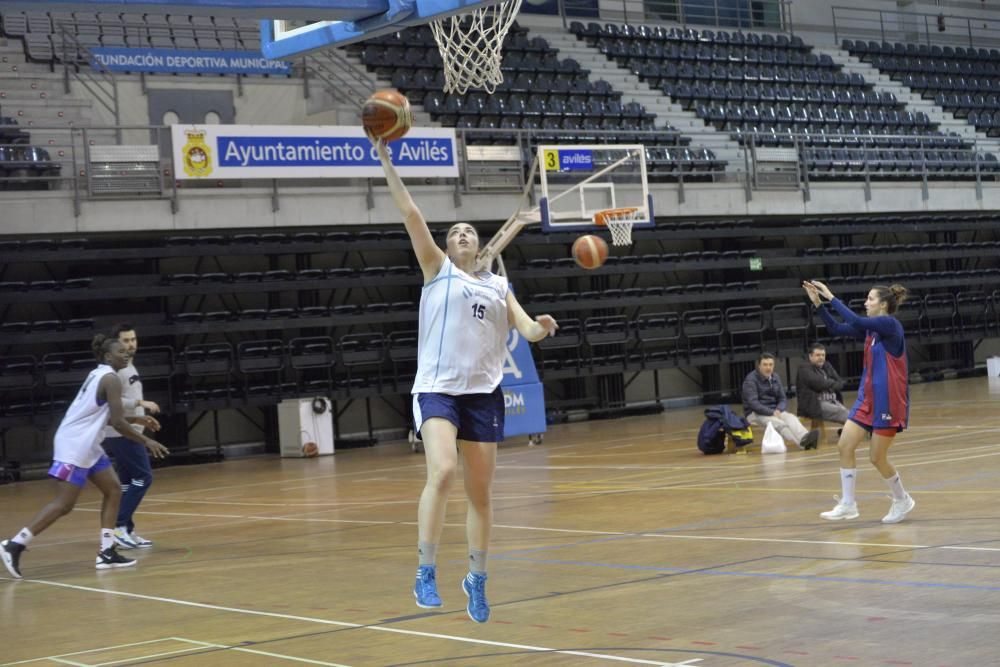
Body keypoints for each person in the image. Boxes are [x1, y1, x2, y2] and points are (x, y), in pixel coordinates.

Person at [373, 137, 558, 623]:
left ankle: (476, 580)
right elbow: (411, 213)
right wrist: (385, 160)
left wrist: (543, 326)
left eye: (467, 231)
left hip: (482, 396)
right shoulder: (437, 272)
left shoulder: (498, 286)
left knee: (481, 495)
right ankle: (425, 570)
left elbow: (527, 331)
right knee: (444, 472)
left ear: (478, 246)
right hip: (436, 390)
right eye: (453, 230)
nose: (459, 234)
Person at [1, 335, 169, 579]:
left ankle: (106, 551)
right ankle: (14, 544)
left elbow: (109, 417)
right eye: (121, 351)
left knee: (113, 490)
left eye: (128, 351)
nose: (126, 354)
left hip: (88, 443)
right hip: (75, 445)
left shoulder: (99, 374)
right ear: (108, 356)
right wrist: (147, 440)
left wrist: (138, 418)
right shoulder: (110, 378)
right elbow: (119, 424)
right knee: (64, 504)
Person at [803, 280, 914, 524]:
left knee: (877, 458)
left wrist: (831, 296)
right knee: (845, 446)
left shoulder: (889, 325)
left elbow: (855, 320)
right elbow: (836, 328)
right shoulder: (871, 331)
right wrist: (819, 305)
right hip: (867, 400)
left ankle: (902, 499)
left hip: (888, 402)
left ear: (883, 304)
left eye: (870, 299)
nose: (866, 302)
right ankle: (848, 504)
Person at [102, 323, 162, 550]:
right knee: (144, 478)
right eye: (126, 341)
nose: (131, 344)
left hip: (132, 429)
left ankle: (126, 528)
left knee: (126, 483)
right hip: (122, 432)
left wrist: (141, 417)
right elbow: (114, 403)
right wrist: (140, 404)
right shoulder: (117, 370)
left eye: (133, 340)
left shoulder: (129, 366)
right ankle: (118, 526)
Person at [742, 353, 821, 450]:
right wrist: (771, 412)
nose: (768, 368)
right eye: (765, 365)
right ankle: (802, 444)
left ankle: (806, 437)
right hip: (754, 414)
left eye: (771, 365)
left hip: (775, 411)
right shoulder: (750, 380)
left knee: (791, 418)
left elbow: (782, 398)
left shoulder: (775, 377)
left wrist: (779, 409)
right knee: (779, 423)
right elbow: (753, 404)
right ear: (759, 366)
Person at [795, 343, 849, 425]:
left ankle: (846, 432)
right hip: (815, 405)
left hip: (832, 401)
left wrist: (828, 383)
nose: (821, 358)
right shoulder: (804, 368)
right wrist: (831, 383)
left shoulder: (827, 365)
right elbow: (818, 383)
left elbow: (840, 383)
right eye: (818, 355)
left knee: (852, 415)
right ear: (810, 356)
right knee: (844, 413)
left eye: (823, 355)